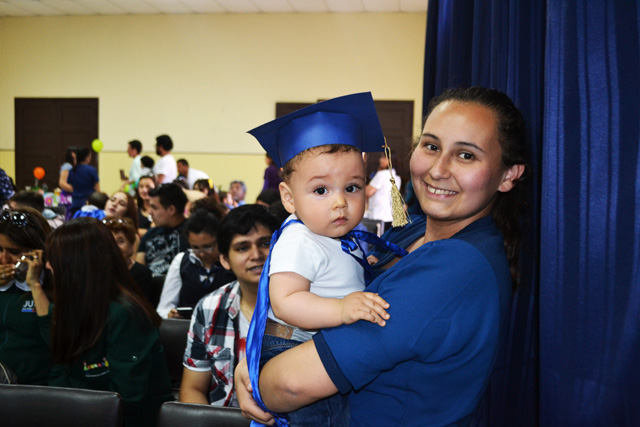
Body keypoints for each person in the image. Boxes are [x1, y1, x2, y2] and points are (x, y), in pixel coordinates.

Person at [235, 87, 528, 426]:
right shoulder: (411, 231)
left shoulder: (456, 268)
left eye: (466, 155)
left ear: (508, 175)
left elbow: (290, 384)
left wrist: (256, 375)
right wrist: (256, 359)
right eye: (431, 146)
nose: (438, 169)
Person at [246, 92, 398, 425]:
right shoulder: (299, 238)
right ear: (289, 198)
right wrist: (341, 309)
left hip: (320, 345)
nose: (340, 202)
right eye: (320, 190)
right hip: (293, 347)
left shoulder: (338, 237)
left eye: (352, 187)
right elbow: (286, 302)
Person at [24, 218, 174, 426]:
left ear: (76, 263)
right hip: (81, 412)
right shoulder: (72, 302)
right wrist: (61, 408)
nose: (47, 265)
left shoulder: (125, 314)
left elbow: (127, 399)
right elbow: (59, 363)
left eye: (54, 259)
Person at [180, 205, 279, 407]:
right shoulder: (209, 308)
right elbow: (193, 389)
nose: (256, 255)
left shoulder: (306, 304)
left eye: (265, 243)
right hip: (223, 419)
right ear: (225, 260)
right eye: (242, 248)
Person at [0, 207, 52, 385]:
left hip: (38, 387)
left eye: (14, 252)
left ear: (38, 252)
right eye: (0, 249)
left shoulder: (53, 286)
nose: (4, 259)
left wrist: (34, 284)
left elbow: (56, 339)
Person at [156, 209, 236, 319]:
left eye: (207, 247)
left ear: (219, 240)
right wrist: (170, 314)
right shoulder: (181, 261)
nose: (201, 253)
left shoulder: (232, 262)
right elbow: (163, 308)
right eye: (195, 248)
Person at [135, 183, 189, 277]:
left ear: (171, 210)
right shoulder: (149, 234)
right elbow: (139, 272)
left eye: (154, 207)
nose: (150, 212)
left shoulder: (192, 232)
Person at [102, 216, 153, 304]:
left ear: (132, 245)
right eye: (111, 241)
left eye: (121, 241)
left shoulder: (142, 274)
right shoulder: (98, 272)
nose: (115, 246)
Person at [364, 152, 402, 232]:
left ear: (389, 160)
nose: (380, 160)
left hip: (378, 215)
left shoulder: (382, 174)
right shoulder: (397, 176)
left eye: (383, 158)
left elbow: (368, 192)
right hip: (390, 216)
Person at [67, 146, 100, 217]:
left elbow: (70, 186)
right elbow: (97, 188)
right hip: (89, 203)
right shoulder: (92, 170)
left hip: (75, 202)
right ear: (87, 157)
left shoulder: (72, 170)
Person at [58, 147, 76, 218]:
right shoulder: (67, 166)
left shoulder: (74, 166)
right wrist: (77, 190)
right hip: (67, 196)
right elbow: (62, 183)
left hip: (70, 195)